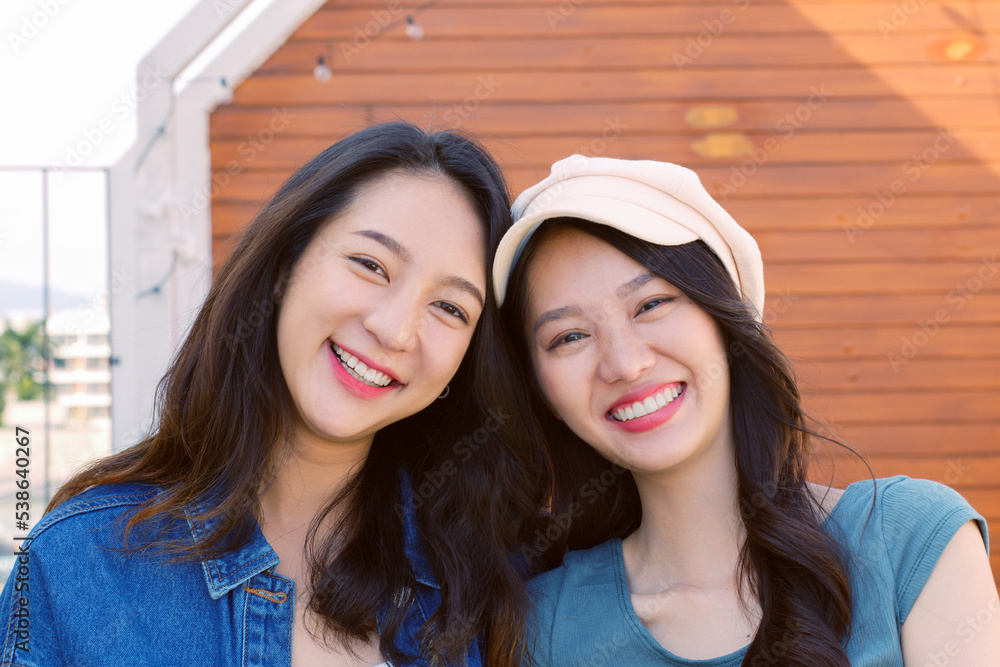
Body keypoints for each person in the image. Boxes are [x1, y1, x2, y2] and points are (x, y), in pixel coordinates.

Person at [0, 122, 546, 667]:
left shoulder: (500, 584)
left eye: (450, 308)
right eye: (371, 265)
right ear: (285, 267)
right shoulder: (79, 562)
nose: (396, 330)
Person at [493, 155, 1000, 666]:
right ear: (541, 393)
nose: (625, 364)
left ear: (727, 320)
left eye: (651, 305)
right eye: (570, 336)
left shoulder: (911, 542)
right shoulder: (544, 625)